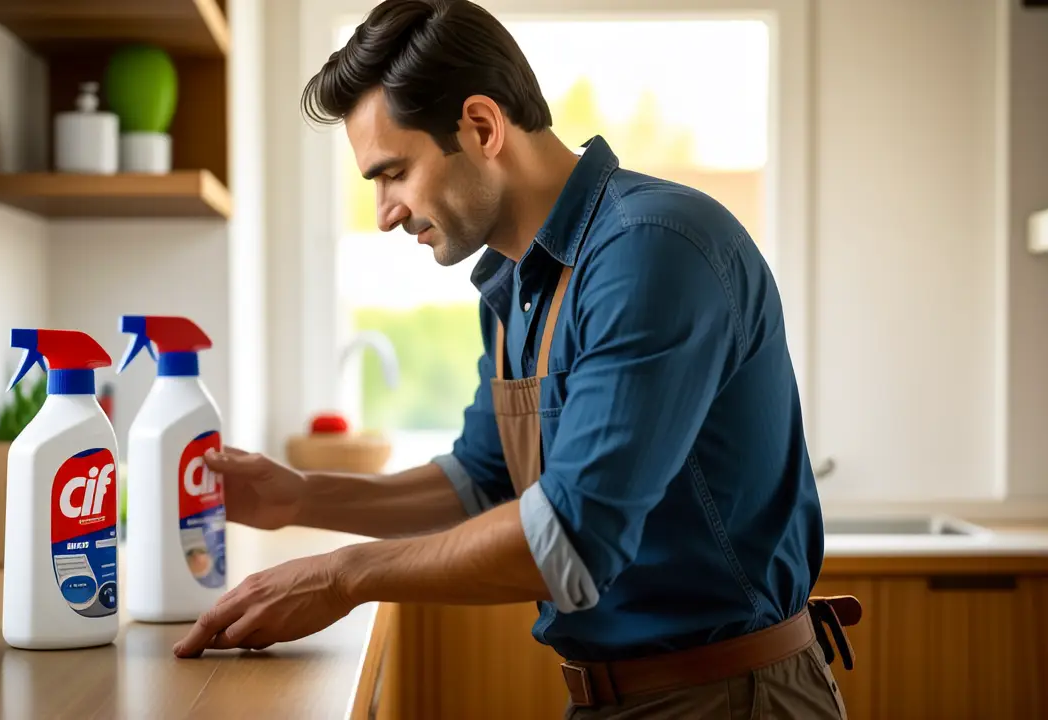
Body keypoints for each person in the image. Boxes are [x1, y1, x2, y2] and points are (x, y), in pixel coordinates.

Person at [173, 1, 860, 717]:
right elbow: (484, 479)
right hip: (624, 695)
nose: (384, 212)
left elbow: (571, 536)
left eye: (393, 173)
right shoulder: (517, 284)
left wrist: (344, 576)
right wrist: (300, 498)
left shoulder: (650, 251)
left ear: (481, 126)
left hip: (728, 697)